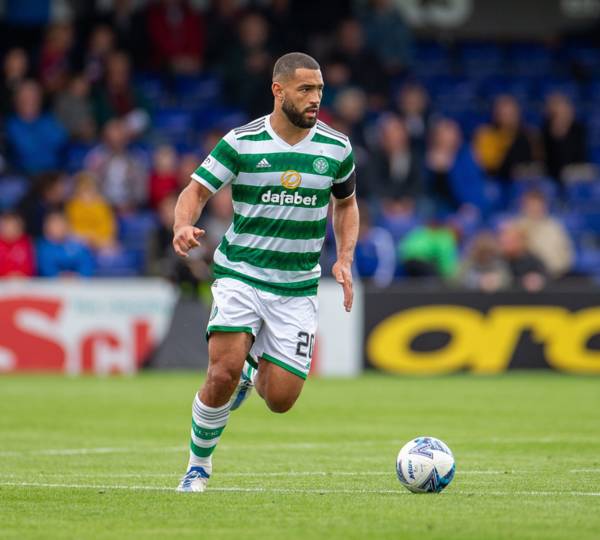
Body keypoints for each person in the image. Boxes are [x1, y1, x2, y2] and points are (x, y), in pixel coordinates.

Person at [172, 52, 358, 492]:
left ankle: (253, 374)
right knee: (221, 372)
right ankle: (198, 467)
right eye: (305, 90)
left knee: (280, 399)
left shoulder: (337, 148)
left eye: (319, 91)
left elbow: (347, 204)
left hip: (296, 286)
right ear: (278, 91)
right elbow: (196, 190)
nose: (315, 99)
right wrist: (182, 224)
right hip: (242, 273)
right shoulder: (241, 142)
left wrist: (345, 257)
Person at [6, 80, 68, 175]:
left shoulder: (50, 121)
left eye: (33, 97)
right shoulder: (10, 125)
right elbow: (25, 151)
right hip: (22, 176)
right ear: (16, 100)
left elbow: (62, 143)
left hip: (52, 175)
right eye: (24, 98)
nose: (29, 101)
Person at [516, 189, 574, 278]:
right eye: (531, 205)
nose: (534, 208)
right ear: (523, 206)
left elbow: (567, 256)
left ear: (545, 206)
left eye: (537, 205)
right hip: (525, 278)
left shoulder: (555, 227)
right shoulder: (517, 227)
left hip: (555, 277)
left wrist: (552, 272)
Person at [0, 211, 35, 277]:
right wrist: (6, 276)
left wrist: (21, 275)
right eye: (6, 226)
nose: (10, 230)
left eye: (13, 227)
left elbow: (30, 266)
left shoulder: (26, 243)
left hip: (23, 282)